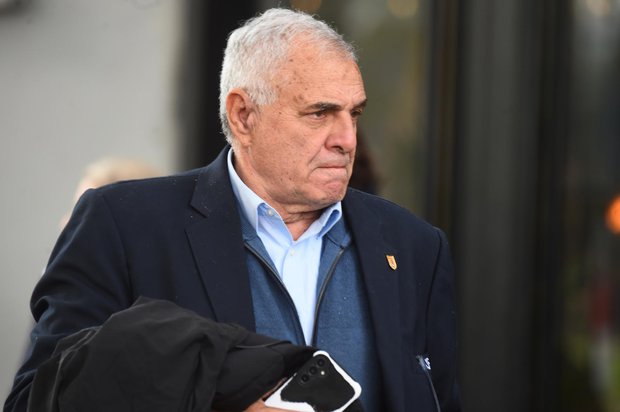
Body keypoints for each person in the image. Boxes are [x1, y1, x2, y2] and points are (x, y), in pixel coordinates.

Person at [4, 8, 460, 412]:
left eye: (354, 114)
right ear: (243, 115)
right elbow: (38, 398)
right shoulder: (123, 226)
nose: (346, 139)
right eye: (319, 113)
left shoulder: (414, 247)